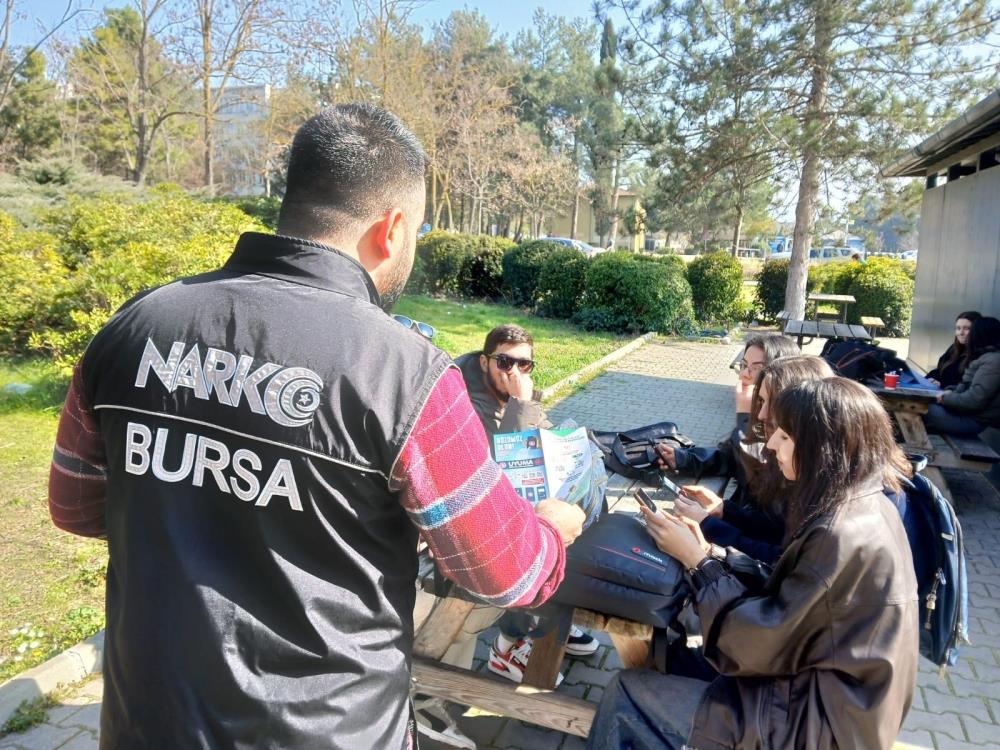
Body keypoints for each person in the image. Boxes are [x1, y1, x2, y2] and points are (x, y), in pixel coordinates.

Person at [47, 103, 585, 749]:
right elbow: (505, 572)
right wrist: (551, 530)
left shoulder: (133, 329)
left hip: (146, 724)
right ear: (392, 229)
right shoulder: (406, 374)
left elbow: (76, 506)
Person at [587, 378, 919, 749]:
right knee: (677, 655)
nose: (772, 443)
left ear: (823, 448)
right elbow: (791, 592)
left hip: (815, 724)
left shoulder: (839, 533)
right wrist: (714, 554)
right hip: (841, 704)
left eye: (786, 436)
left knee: (626, 691)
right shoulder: (863, 505)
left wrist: (699, 563)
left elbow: (755, 645)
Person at [454, 324, 599, 684]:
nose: (515, 373)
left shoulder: (509, 390)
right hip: (473, 514)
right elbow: (509, 465)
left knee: (585, 505)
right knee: (544, 535)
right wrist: (522, 403)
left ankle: (553, 617)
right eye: (505, 362)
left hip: (502, 501)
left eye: (524, 365)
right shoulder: (467, 398)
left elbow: (541, 433)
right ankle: (508, 644)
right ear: (486, 362)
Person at [673, 355, 834, 566]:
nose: (761, 414)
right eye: (761, 401)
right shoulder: (807, 471)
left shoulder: (827, 502)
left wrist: (706, 543)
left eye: (770, 402)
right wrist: (725, 511)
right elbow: (776, 528)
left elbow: (778, 562)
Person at [655, 334, 799, 503]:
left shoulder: (791, 429)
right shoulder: (762, 416)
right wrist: (683, 459)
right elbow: (730, 457)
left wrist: (745, 417)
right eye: (744, 365)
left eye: (756, 368)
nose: (744, 374)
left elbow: (758, 481)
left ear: (781, 373)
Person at [925, 315, 1000, 436]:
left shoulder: (993, 361)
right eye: (958, 328)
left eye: (971, 331)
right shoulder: (986, 358)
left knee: (918, 408)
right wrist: (950, 390)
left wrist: (945, 398)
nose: (967, 335)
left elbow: (974, 400)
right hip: (965, 415)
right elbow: (967, 386)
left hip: (972, 421)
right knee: (914, 407)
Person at [926, 310, 982, 388]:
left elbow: (969, 386)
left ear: (977, 330)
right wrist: (928, 379)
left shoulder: (981, 355)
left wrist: (942, 385)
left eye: (967, 328)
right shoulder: (954, 349)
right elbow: (940, 371)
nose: (961, 333)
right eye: (958, 328)